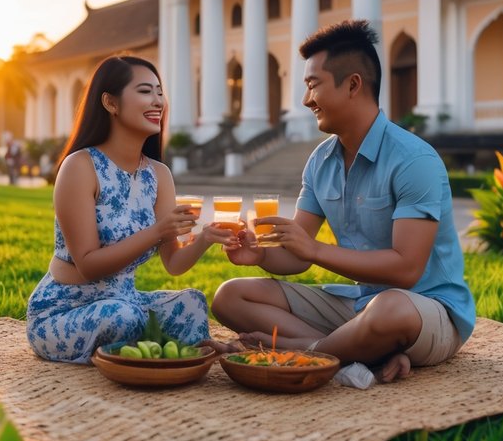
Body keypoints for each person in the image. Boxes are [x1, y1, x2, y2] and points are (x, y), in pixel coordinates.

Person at [212, 20, 475, 383]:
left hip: (427, 309)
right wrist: (259, 254)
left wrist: (316, 250)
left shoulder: (414, 160)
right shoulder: (321, 162)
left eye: (312, 85)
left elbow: (406, 270)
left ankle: (306, 350)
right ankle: (357, 350)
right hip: (360, 304)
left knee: (390, 309)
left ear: (353, 84)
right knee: (230, 296)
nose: (305, 100)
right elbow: (295, 255)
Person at [26, 55, 237, 363]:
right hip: (63, 311)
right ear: (110, 103)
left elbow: (174, 263)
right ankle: (150, 350)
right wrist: (157, 232)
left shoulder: (158, 175)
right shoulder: (80, 167)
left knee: (191, 302)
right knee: (124, 318)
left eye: (159, 92)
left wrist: (206, 237)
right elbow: (88, 264)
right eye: (144, 91)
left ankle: (162, 350)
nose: (158, 101)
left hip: (124, 300)